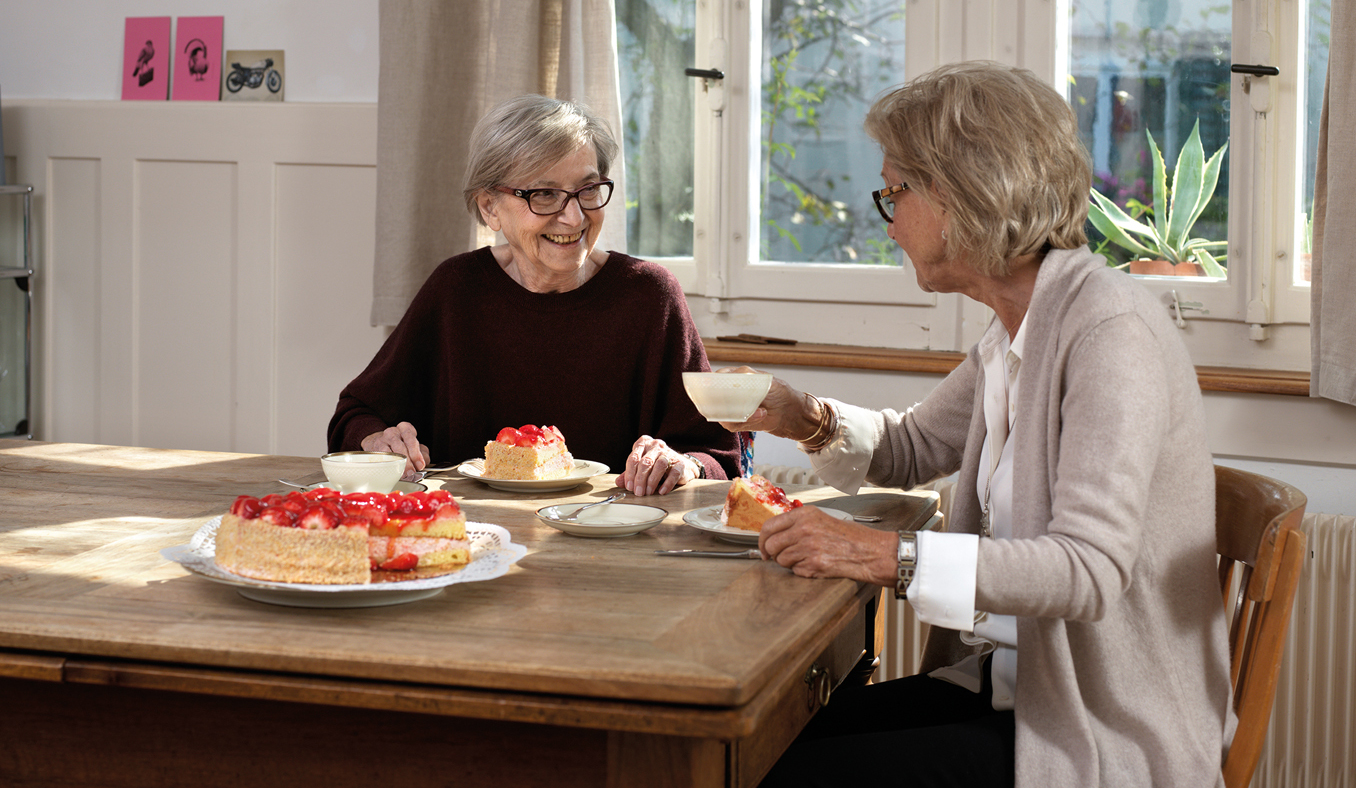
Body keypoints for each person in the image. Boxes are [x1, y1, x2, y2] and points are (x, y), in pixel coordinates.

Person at [726, 62, 1235, 786]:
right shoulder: (1019, 327)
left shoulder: (1108, 330)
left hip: (1098, 723)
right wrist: (802, 416)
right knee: (756, 746)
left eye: (895, 190)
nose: (889, 217)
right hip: (1011, 687)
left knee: (789, 770)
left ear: (966, 190)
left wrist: (883, 555)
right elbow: (913, 447)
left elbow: (1089, 570)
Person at [328, 95, 740, 495]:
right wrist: (378, 439)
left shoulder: (649, 295)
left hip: (612, 539)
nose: (574, 216)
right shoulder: (457, 288)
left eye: (589, 189)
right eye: (543, 194)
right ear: (489, 207)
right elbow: (354, 414)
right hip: (470, 536)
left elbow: (717, 455)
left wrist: (684, 464)